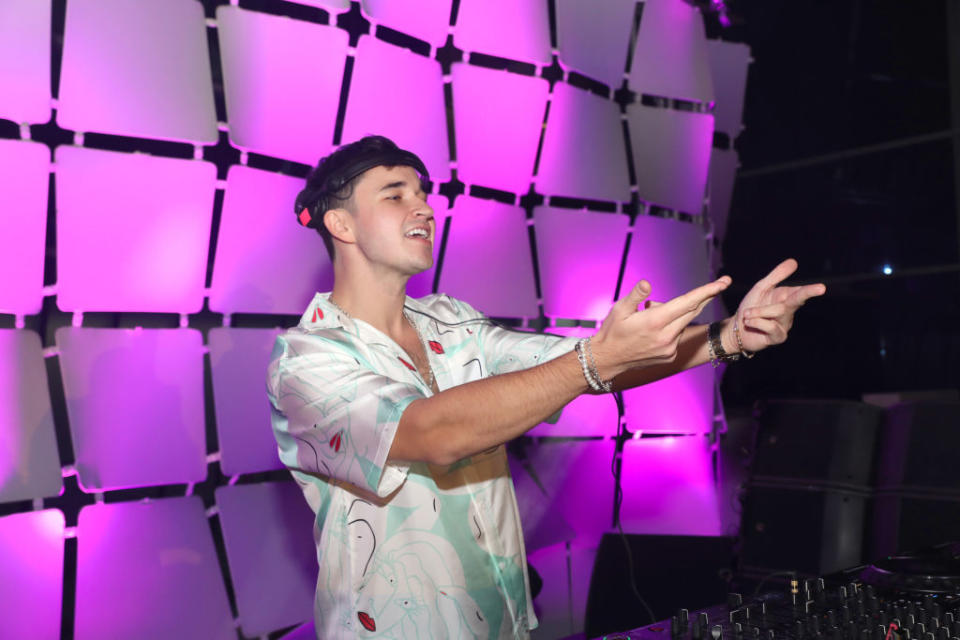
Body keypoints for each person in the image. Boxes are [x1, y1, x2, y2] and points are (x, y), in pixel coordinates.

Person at [266, 135, 825, 639]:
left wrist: (729, 335)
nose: (425, 207)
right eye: (396, 194)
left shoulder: (452, 322)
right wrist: (594, 360)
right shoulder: (308, 359)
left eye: (424, 192)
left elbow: (579, 364)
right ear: (339, 224)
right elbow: (435, 432)